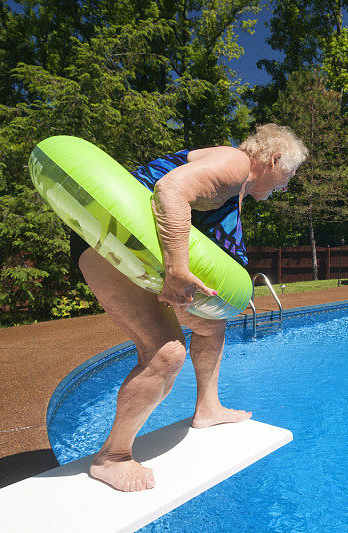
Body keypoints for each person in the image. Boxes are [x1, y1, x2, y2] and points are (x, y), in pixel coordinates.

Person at [71, 124, 308, 492]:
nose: (285, 186)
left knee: (212, 326)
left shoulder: (236, 188)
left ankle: (207, 408)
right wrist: (177, 270)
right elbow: (171, 190)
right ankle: (112, 456)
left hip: (134, 248)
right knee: (166, 353)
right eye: (288, 176)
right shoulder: (234, 163)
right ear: (274, 160)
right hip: (111, 239)